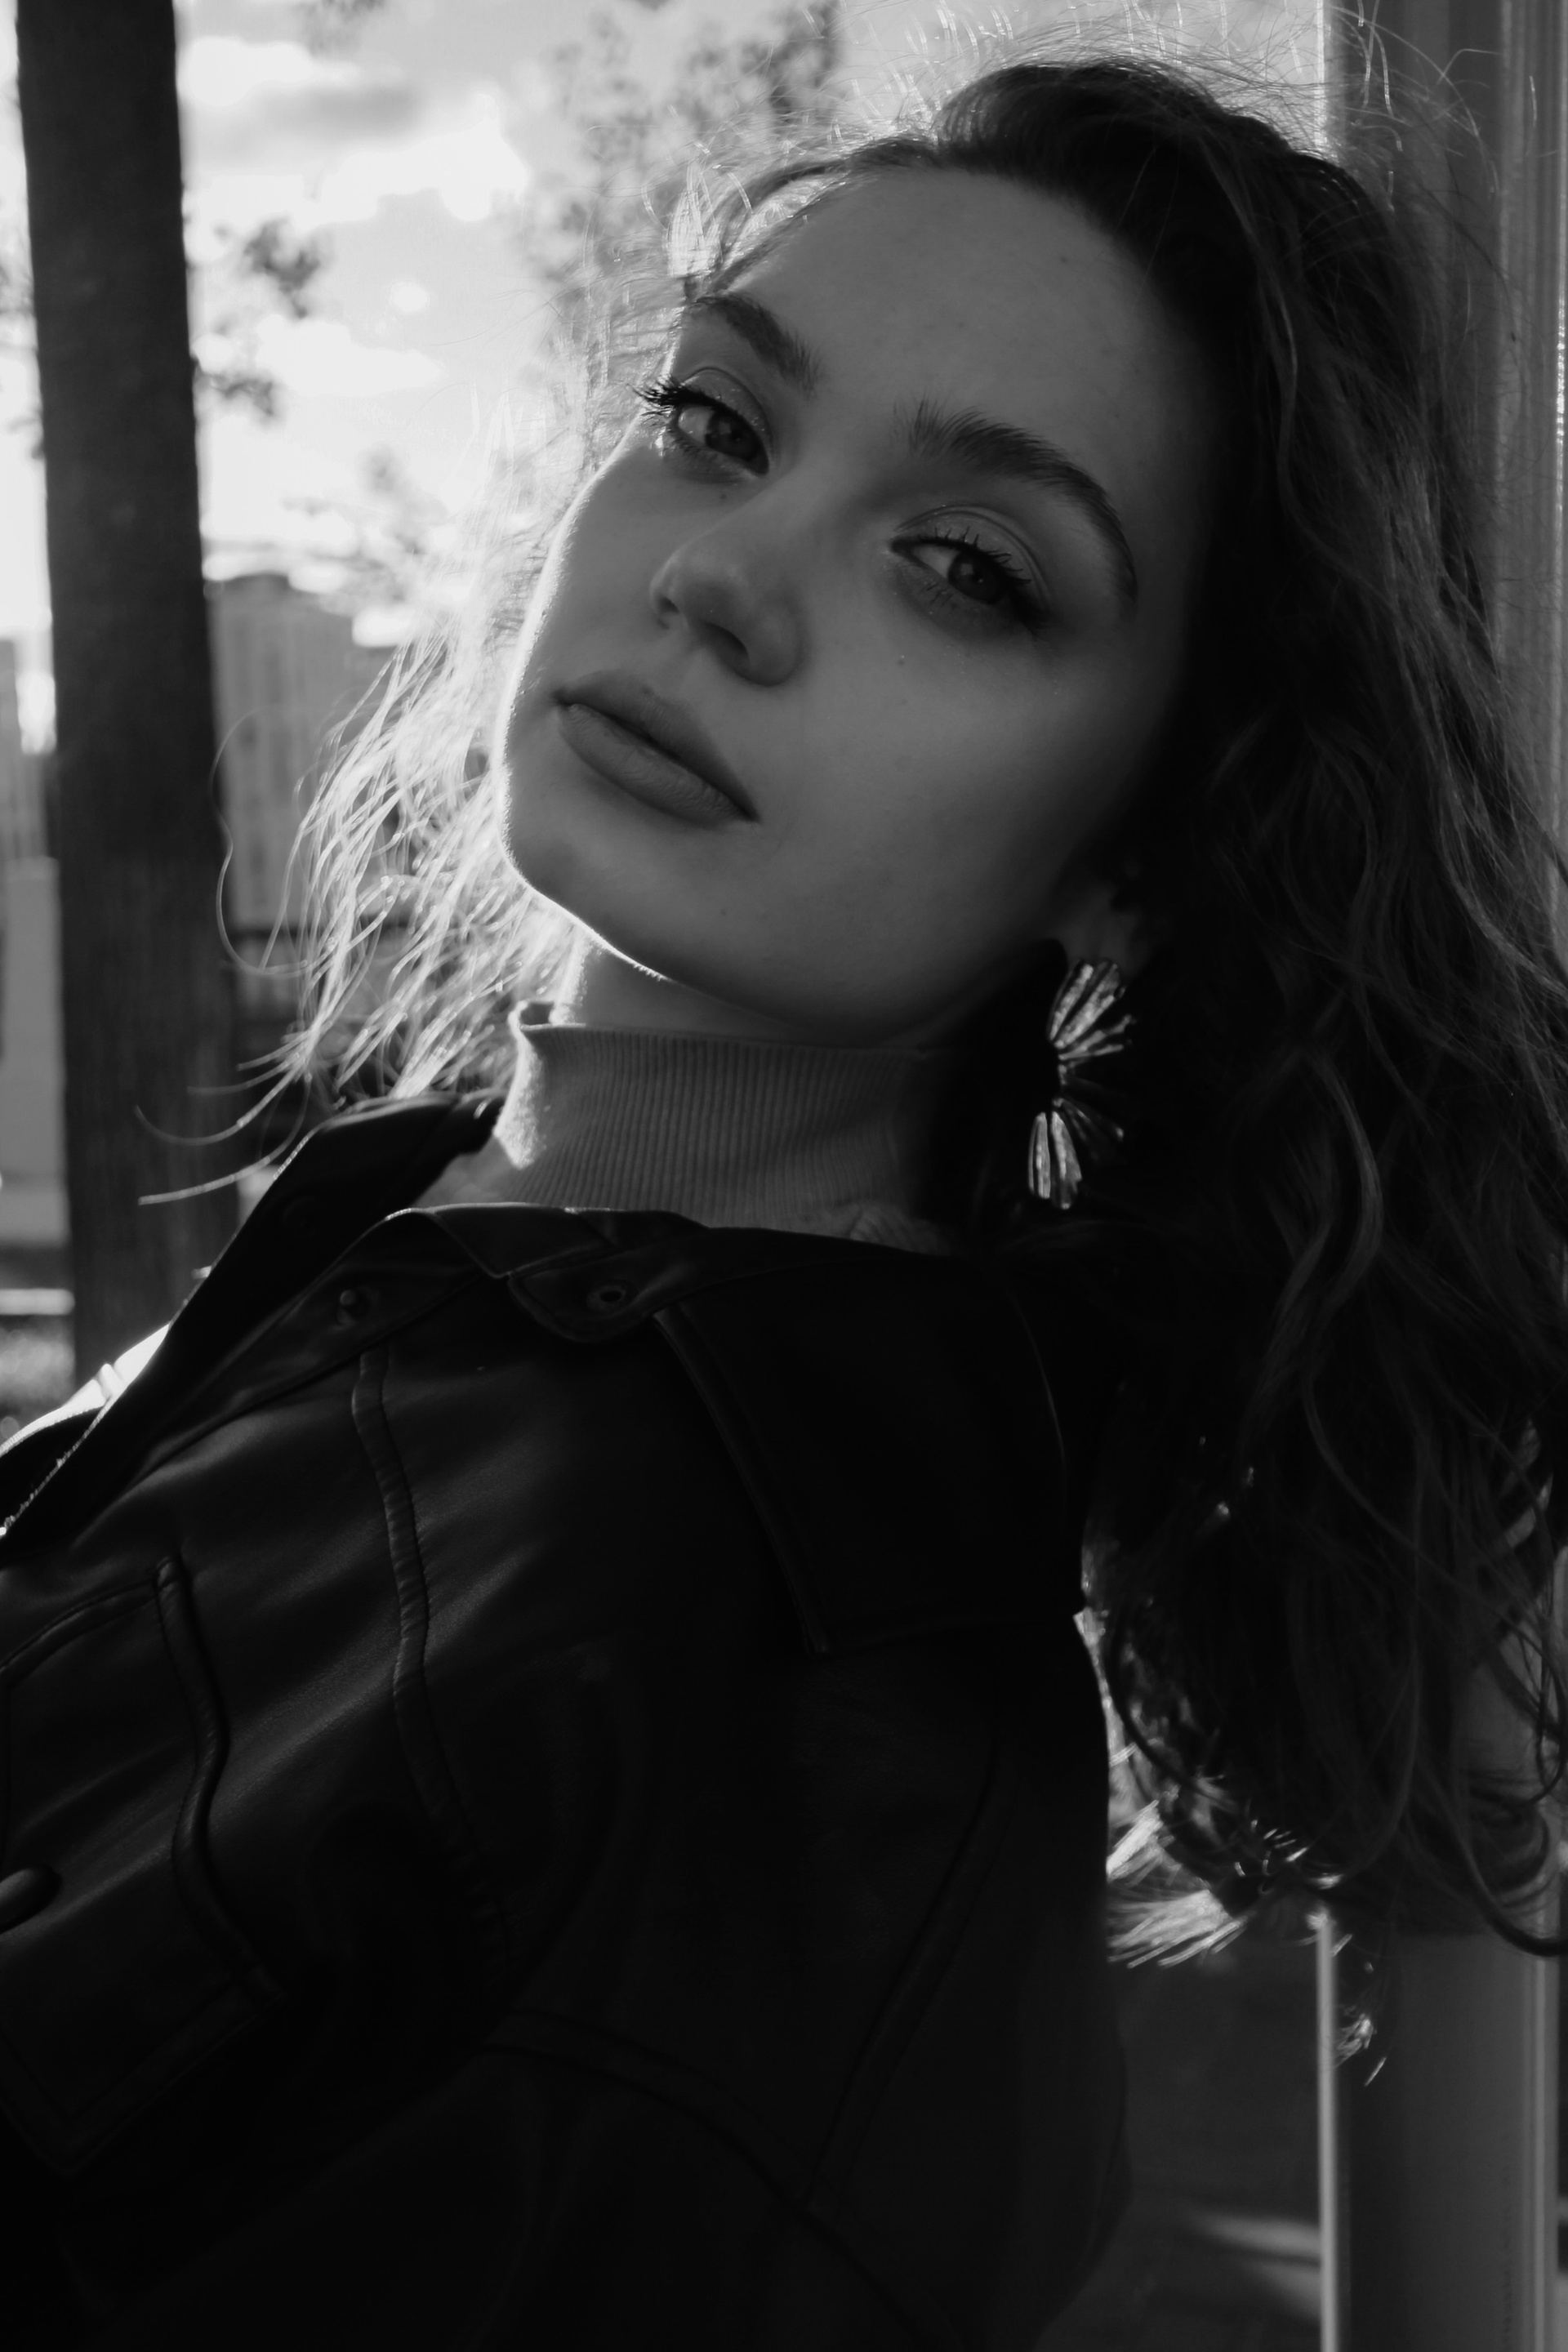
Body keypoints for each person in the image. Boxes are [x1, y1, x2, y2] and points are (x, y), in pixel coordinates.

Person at [2, 44, 1566, 2351]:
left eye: (969, 568)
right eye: (718, 421)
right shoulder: (420, 1246)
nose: (722, 574)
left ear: (1147, 847)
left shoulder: (788, 1790)